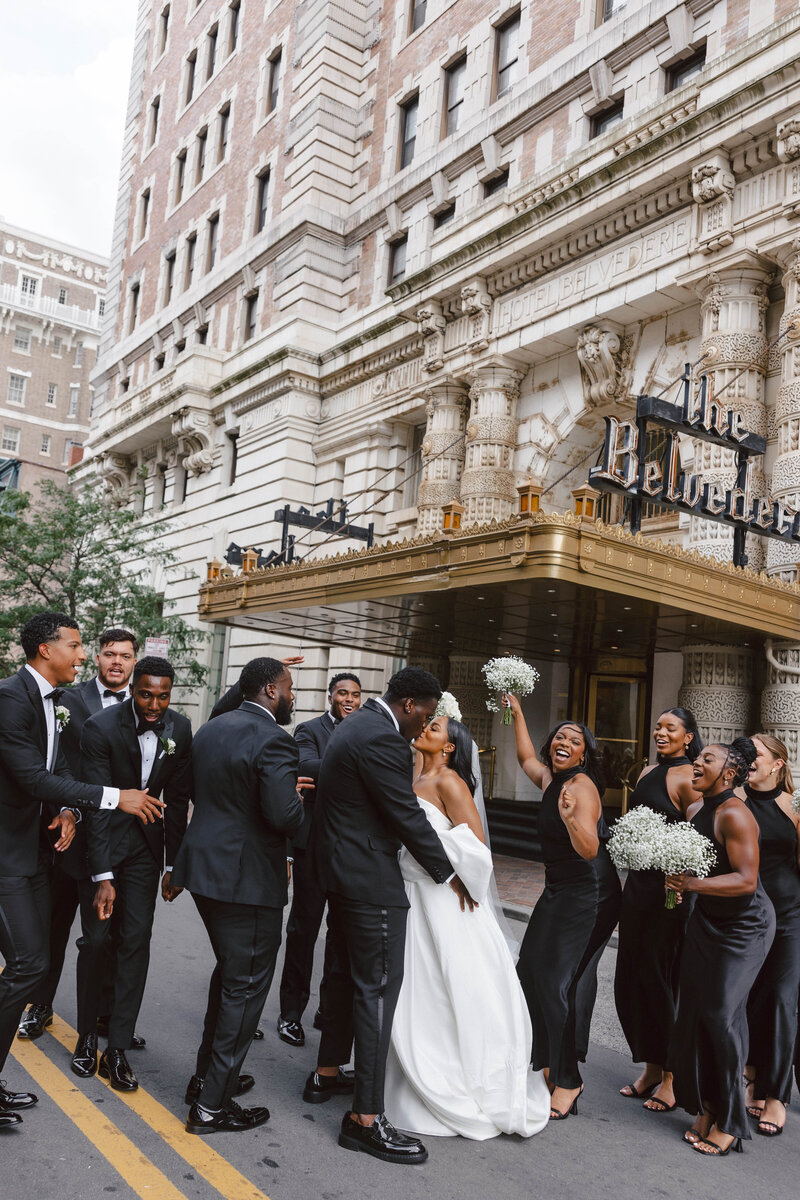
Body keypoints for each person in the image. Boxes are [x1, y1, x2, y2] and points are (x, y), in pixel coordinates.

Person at [307, 667, 474, 1167]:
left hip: (339, 872)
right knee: (377, 989)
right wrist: (450, 873)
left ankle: (328, 1073)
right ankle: (365, 1121)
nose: (425, 725)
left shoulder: (355, 725)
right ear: (409, 705)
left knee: (343, 975)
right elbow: (404, 814)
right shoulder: (381, 738)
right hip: (366, 878)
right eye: (425, 714)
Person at [0, 612, 160, 1130]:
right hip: (6, 855)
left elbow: (56, 771)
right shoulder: (11, 697)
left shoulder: (51, 702)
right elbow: (27, 776)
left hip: (34, 852)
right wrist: (116, 798)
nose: (84, 655)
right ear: (47, 650)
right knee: (27, 965)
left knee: (32, 960)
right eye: (75, 646)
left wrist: (69, 811)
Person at [384, 714, 551, 1139]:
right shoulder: (413, 778)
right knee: (415, 991)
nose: (424, 729)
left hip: (441, 897)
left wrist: (455, 877)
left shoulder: (449, 783)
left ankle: (452, 1080)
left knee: (445, 990)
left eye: (434, 728)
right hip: (410, 894)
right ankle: (406, 1076)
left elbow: (476, 847)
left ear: (450, 747)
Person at [173, 657, 306, 1135]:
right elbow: (282, 816)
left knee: (231, 975)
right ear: (271, 690)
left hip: (205, 871)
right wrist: (298, 802)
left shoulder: (212, 728)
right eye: (290, 688)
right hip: (246, 880)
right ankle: (211, 1106)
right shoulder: (275, 739)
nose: (294, 696)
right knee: (245, 989)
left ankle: (207, 1079)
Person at [70, 656, 192, 1090]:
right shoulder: (100, 728)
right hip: (102, 845)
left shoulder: (179, 728)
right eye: (145, 694)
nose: (154, 705)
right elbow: (97, 806)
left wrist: (174, 864)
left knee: (136, 942)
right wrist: (102, 875)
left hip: (145, 849)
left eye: (162, 695)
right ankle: (86, 1036)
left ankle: (116, 1047)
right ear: (133, 689)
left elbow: (177, 801)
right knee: (98, 940)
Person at [17, 627, 140, 1043]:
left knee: (106, 937)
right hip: (64, 834)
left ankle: (104, 1017)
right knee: (53, 928)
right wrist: (67, 809)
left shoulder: (146, 704)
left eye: (124, 655)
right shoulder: (65, 696)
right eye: (108, 653)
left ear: (134, 661)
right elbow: (52, 766)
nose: (115, 662)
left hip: (115, 839)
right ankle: (39, 1007)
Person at [505, 696, 621, 1122]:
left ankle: (568, 1079)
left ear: (584, 753)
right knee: (529, 969)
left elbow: (590, 849)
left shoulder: (581, 788)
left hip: (590, 892)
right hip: (560, 889)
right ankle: (548, 1059)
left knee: (556, 982)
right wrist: (517, 711)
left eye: (574, 739)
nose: (564, 741)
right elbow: (522, 756)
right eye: (559, 736)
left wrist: (573, 818)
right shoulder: (551, 778)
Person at [668, 739, 775, 1157]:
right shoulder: (696, 809)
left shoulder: (735, 814)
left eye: (706, 760)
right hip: (707, 921)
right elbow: (701, 863)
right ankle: (708, 1106)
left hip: (746, 927)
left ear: (728, 774)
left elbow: (746, 880)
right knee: (694, 1014)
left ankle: (732, 1120)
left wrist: (691, 884)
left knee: (722, 1015)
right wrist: (679, 881)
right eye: (698, 759)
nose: (696, 763)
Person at [614, 707, 702, 1112]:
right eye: (658, 726)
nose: (660, 733)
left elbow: (697, 839)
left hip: (669, 895)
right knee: (633, 976)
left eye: (671, 728)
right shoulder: (648, 772)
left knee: (661, 978)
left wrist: (681, 878)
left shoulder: (689, 778)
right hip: (639, 886)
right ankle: (650, 1066)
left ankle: (671, 1076)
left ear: (688, 737)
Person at [277, 672, 362, 1047]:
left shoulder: (365, 731)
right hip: (312, 846)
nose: (349, 699)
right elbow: (307, 767)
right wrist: (359, 774)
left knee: (342, 936)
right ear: (330, 696)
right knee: (303, 931)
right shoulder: (309, 730)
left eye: (355, 695)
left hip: (349, 850)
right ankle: (290, 1014)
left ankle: (329, 1009)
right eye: (342, 693)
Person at [738, 733, 800, 1137]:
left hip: (791, 914)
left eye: (756, 755)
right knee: (748, 998)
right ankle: (753, 1076)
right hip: (744, 915)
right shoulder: (733, 800)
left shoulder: (793, 807)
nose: (748, 761)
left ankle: (775, 1095)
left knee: (780, 998)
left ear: (777, 763)